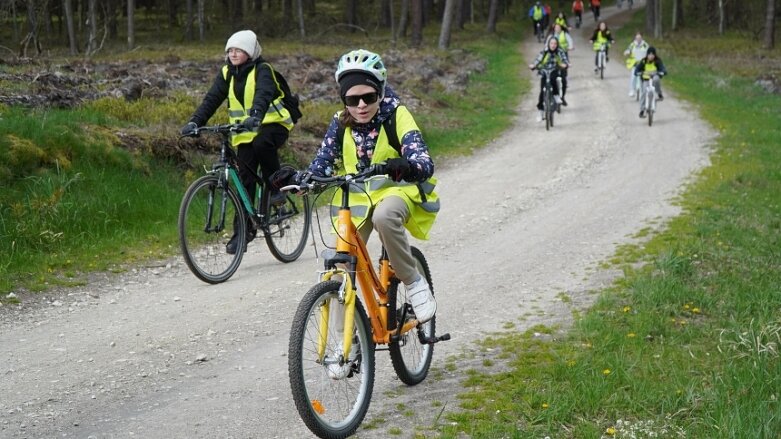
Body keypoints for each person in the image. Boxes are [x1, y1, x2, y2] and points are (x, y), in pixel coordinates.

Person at [273, 49, 439, 324]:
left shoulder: (397, 115)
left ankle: (413, 282)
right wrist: (298, 181)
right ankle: (342, 347)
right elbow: (322, 164)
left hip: (396, 191)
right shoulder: (340, 123)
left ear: (380, 92)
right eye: (352, 99)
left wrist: (407, 165)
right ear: (343, 99)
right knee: (340, 263)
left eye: (369, 97)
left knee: (384, 217)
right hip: (357, 200)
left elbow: (422, 158)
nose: (361, 105)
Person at [180, 30, 295, 254]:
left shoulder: (263, 70)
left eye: (239, 50)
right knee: (244, 182)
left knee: (263, 145)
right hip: (244, 131)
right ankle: (243, 232)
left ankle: (275, 187)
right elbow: (212, 99)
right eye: (230, 50)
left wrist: (255, 115)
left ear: (250, 52)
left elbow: (263, 94)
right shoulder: (227, 73)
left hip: (273, 124)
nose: (233, 54)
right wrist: (195, 121)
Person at [529, 37, 569, 122]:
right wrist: (533, 65)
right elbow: (538, 60)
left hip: (554, 69)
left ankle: (556, 95)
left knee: (554, 78)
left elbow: (564, 60)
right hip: (544, 71)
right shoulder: (544, 52)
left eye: (555, 43)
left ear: (557, 44)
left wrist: (565, 64)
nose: (553, 45)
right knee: (542, 90)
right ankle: (540, 110)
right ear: (548, 44)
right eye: (551, 43)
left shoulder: (559, 52)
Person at [545, 23, 574, 106]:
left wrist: (567, 64)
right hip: (551, 61)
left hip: (562, 57)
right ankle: (548, 95)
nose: (557, 29)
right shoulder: (550, 37)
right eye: (555, 28)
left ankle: (562, 97)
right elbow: (545, 49)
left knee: (563, 80)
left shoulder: (565, 35)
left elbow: (570, 41)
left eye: (558, 27)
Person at [635, 46, 667, 117]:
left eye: (652, 54)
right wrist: (638, 72)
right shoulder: (643, 61)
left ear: (655, 55)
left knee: (656, 79)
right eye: (649, 54)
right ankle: (642, 110)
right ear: (647, 55)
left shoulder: (657, 61)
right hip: (646, 79)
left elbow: (662, 68)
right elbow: (637, 69)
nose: (651, 56)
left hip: (654, 77)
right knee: (643, 92)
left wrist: (663, 72)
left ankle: (659, 93)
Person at [623, 32, 649, 97]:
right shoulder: (632, 45)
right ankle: (632, 90)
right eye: (637, 38)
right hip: (634, 64)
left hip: (643, 64)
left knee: (645, 77)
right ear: (635, 38)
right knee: (633, 76)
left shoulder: (645, 45)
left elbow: (649, 52)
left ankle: (644, 91)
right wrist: (627, 52)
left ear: (642, 38)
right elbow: (628, 50)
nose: (638, 39)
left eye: (639, 38)